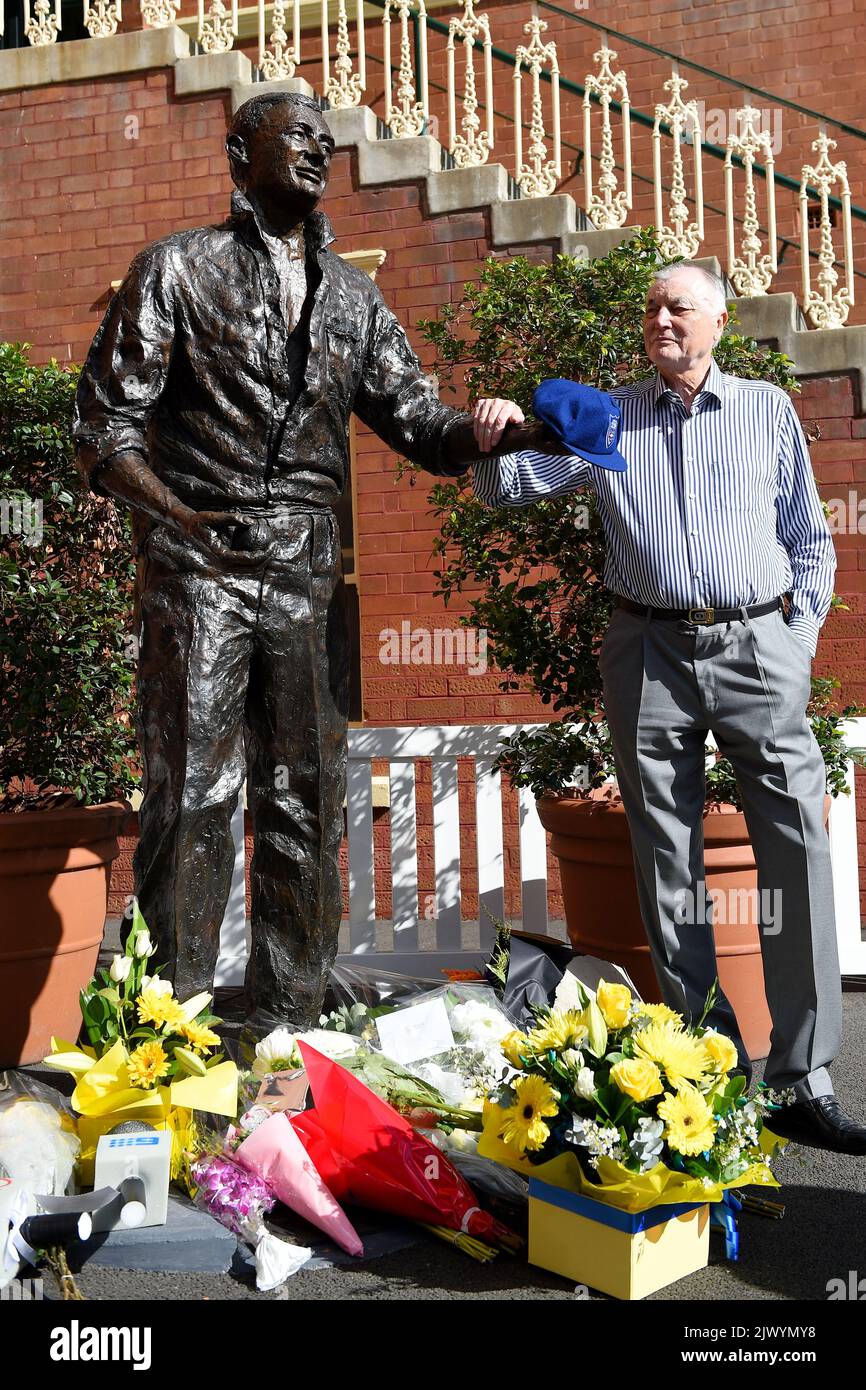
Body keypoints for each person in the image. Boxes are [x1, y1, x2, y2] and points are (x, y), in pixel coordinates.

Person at [73, 91, 486, 1028]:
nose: (318, 148)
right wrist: (181, 515)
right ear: (237, 153)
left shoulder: (353, 295)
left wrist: (496, 432)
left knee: (306, 797)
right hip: (200, 568)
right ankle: (162, 1040)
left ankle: (291, 1025)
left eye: (325, 139)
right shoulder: (176, 270)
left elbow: (420, 423)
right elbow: (103, 430)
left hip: (306, 578)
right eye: (295, 135)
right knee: (195, 800)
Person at [471, 261, 866, 1154]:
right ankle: (701, 1056)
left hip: (757, 644)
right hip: (646, 649)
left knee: (796, 842)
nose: (661, 318)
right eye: (651, 306)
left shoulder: (765, 411)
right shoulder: (611, 417)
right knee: (666, 853)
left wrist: (792, 648)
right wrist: (488, 435)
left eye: (678, 305)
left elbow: (810, 539)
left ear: (718, 321)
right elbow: (513, 490)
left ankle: (803, 1075)